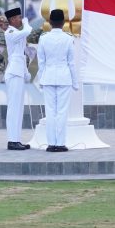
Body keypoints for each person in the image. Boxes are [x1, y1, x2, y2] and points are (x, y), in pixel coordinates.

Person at [37, 9, 78, 152]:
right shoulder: (68, 38)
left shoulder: (43, 38)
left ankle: (51, 144)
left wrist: (40, 80)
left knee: (50, 111)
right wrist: (75, 82)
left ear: (49, 22)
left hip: (47, 77)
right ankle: (60, 144)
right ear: (63, 23)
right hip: (64, 77)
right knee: (62, 111)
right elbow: (71, 63)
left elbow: (41, 62)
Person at [2, 7, 32, 150]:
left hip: (19, 72)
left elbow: (21, 55)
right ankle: (12, 140)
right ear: (12, 20)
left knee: (19, 108)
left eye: (21, 17)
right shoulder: (10, 32)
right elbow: (27, 31)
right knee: (14, 108)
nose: (20, 19)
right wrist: (26, 23)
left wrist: (26, 72)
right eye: (19, 17)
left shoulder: (18, 34)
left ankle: (16, 139)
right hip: (13, 73)